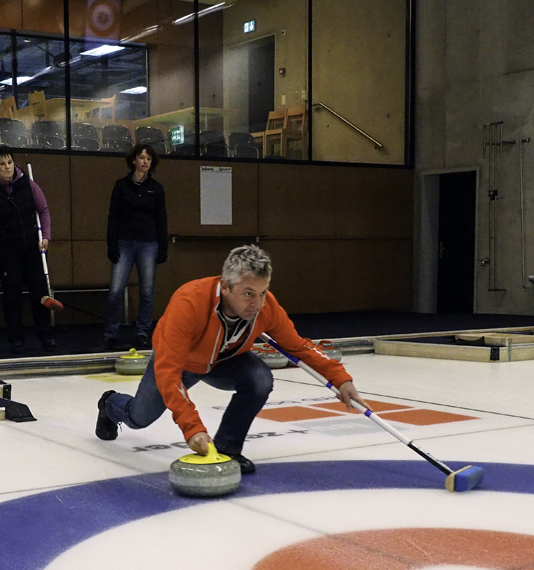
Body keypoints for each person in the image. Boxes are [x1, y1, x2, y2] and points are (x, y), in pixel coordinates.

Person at [94, 245, 368, 474]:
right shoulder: (189, 302)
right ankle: (110, 404)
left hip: (222, 361)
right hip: (181, 364)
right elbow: (168, 371)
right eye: (248, 293)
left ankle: (228, 449)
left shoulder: (267, 308)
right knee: (139, 418)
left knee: (259, 379)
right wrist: (193, 429)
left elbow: (298, 346)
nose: (257, 303)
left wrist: (340, 378)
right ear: (225, 287)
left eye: (262, 292)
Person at [0, 145, 58, 354]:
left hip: (33, 246)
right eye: (2, 164)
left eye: (10, 162)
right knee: (12, 293)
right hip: (8, 248)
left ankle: (46, 335)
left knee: (39, 292)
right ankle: (16, 339)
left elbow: (43, 210)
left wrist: (46, 236)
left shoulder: (28, 184)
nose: (7, 167)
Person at [97, 143, 168, 351]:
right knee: (115, 290)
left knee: (147, 291)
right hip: (124, 242)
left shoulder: (156, 189)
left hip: (149, 243)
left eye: (149, 159)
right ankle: (110, 333)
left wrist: (163, 247)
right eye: (142, 157)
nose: (145, 162)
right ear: (134, 160)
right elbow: (113, 216)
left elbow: (161, 219)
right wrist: (111, 244)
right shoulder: (121, 186)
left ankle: (142, 332)